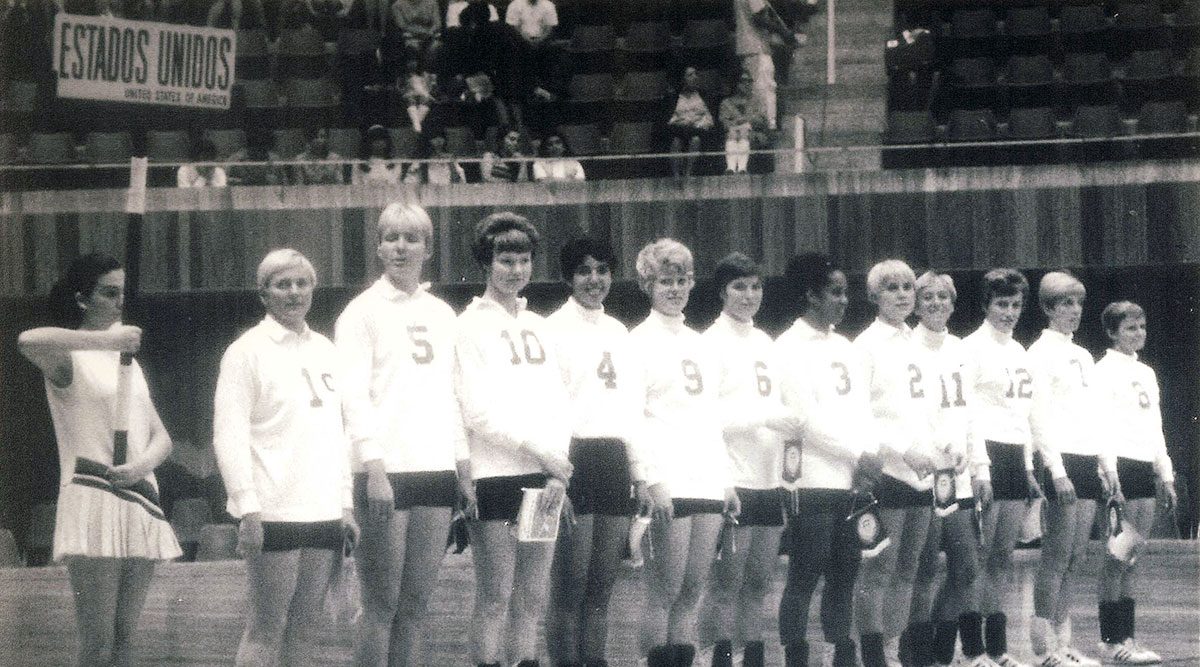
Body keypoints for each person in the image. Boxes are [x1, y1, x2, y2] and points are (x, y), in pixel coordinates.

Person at [17, 253, 182, 666]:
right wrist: (107, 340)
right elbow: (27, 341)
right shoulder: (69, 358)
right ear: (81, 299)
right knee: (97, 644)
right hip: (94, 496)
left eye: (122, 293)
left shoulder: (131, 365)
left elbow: (162, 437)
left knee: (126, 640)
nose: (119, 302)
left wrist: (140, 467)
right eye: (109, 293)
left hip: (139, 495)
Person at [335, 203, 473, 666]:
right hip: (385, 475)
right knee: (381, 606)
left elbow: (452, 397)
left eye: (411, 238)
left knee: (415, 607)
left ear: (428, 249)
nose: (400, 247)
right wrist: (374, 469)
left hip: (435, 470)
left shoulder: (442, 313)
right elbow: (352, 398)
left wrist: (463, 469)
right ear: (378, 247)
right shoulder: (361, 313)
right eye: (391, 237)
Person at [212, 249, 359, 666]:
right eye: (282, 284)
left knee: (306, 627)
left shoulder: (327, 349)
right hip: (273, 511)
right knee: (265, 627)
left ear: (313, 288)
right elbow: (229, 435)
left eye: (301, 283)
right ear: (264, 293)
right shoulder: (245, 352)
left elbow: (337, 434)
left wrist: (345, 504)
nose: (293, 293)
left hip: (323, 510)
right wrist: (248, 508)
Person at [453, 212, 572, 667]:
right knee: (496, 594)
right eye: (506, 260)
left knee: (532, 596)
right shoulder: (469, 325)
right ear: (487, 263)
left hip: (543, 478)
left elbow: (558, 400)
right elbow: (477, 411)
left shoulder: (539, 325)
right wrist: (538, 449)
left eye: (523, 260)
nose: (516, 270)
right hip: (495, 477)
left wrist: (557, 465)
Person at [629, 238, 739, 667]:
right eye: (664, 282)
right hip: (668, 481)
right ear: (647, 286)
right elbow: (634, 418)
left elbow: (711, 418)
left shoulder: (702, 344)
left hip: (707, 479)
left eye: (681, 280)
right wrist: (650, 480)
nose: (674, 289)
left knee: (693, 589)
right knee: (664, 589)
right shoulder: (637, 342)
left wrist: (726, 480)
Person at [545, 237, 648, 667]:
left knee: (602, 588)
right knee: (570, 587)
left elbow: (631, 409)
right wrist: (556, 479)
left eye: (603, 270)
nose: (594, 279)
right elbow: (548, 408)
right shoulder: (551, 329)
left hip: (613, 462)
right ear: (570, 276)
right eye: (585, 270)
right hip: (573, 459)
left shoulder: (619, 332)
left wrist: (639, 474)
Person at [774, 252, 879, 667]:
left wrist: (869, 457)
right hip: (813, 477)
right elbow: (804, 419)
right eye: (835, 292)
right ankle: (795, 658)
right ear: (810, 295)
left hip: (852, 480)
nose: (844, 300)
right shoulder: (788, 347)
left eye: (846, 292)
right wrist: (856, 453)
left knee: (845, 573)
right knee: (806, 571)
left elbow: (863, 409)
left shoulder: (846, 347)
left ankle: (842, 655)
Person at [699, 252, 792, 667]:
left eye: (755, 286)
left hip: (770, 479)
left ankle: (749, 659)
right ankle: (712, 659)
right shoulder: (709, 344)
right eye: (739, 287)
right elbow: (705, 419)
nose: (749, 295)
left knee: (758, 581)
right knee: (725, 583)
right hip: (731, 479)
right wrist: (765, 416)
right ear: (722, 292)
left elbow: (780, 410)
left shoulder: (765, 343)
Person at [852, 259, 938, 667]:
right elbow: (862, 415)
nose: (903, 294)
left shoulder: (918, 343)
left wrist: (939, 450)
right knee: (879, 571)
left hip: (923, 474)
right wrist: (903, 451)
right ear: (873, 296)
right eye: (892, 288)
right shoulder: (865, 347)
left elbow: (924, 409)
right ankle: (872, 658)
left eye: (907, 286)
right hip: (886, 473)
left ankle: (892, 651)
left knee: (909, 569)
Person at [962, 268, 1042, 667]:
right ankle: (972, 651)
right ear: (985, 305)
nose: (1009, 312)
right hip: (986, 456)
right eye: (1002, 304)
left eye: (1016, 305)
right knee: (976, 559)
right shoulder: (971, 349)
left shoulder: (1020, 353)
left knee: (1001, 559)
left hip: (1014, 457)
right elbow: (969, 414)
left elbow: (1022, 416)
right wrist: (981, 469)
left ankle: (997, 649)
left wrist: (1027, 467)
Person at [909, 270, 986, 667]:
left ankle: (942, 653)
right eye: (927, 297)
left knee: (967, 567)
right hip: (922, 472)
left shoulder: (961, 350)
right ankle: (919, 655)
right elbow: (908, 412)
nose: (936, 303)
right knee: (923, 571)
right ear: (917, 305)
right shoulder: (907, 348)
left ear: (953, 303)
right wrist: (932, 448)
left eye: (943, 297)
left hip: (958, 477)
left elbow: (971, 414)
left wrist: (980, 466)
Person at [1093, 301, 1176, 665]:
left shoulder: (1146, 373)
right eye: (1129, 328)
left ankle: (1127, 637)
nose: (1138, 333)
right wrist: (1109, 473)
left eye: (1141, 326)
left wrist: (1166, 474)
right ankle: (1109, 640)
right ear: (1112, 332)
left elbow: (1155, 427)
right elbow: (1101, 426)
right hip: (1119, 468)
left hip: (1144, 466)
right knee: (1116, 557)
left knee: (1133, 558)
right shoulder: (1103, 372)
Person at [1027, 272, 1103, 667]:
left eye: (1078, 303)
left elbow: (1090, 415)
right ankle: (1044, 649)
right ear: (1048, 308)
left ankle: (1065, 641)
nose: (1074, 310)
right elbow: (1038, 417)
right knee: (1056, 556)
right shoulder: (1039, 354)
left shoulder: (1084, 355)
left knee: (1076, 558)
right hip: (1062, 462)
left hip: (1087, 459)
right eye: (1065, 303)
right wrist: (1056, 469)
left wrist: (1103, 465)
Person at [732, 0, 797, 131]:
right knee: (765, 87)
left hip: (751, 45)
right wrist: (782, 32)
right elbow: (758, 18)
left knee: (759, 87)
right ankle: (768, 124)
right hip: (756, 46)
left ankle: (763, 123)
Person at [666, 66, 717, 178]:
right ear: (683, 79)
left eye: (695, 74)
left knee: (695, 140)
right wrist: (683, 122)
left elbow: (709, 118)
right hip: (680, 130)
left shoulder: (704, 95)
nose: (694, 77)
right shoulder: (674, 97)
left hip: (698, 131)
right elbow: (670, 119)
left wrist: (697, 124)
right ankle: (676, 176)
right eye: (690, 75)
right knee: (675, 141)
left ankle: (688, 173)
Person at [718, 72, 771, 174]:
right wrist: (740, 123)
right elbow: (724, 122)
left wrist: (743, 122)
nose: (747, 84)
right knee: (733, 133)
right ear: (736, 84)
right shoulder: (726, 103)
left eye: (749, 81)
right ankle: (731, 168)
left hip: (753, 134)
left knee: (744, 132)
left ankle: (742, 168)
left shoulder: (757, 102)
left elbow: (762, 120)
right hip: (732, 134)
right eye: (743, 81)